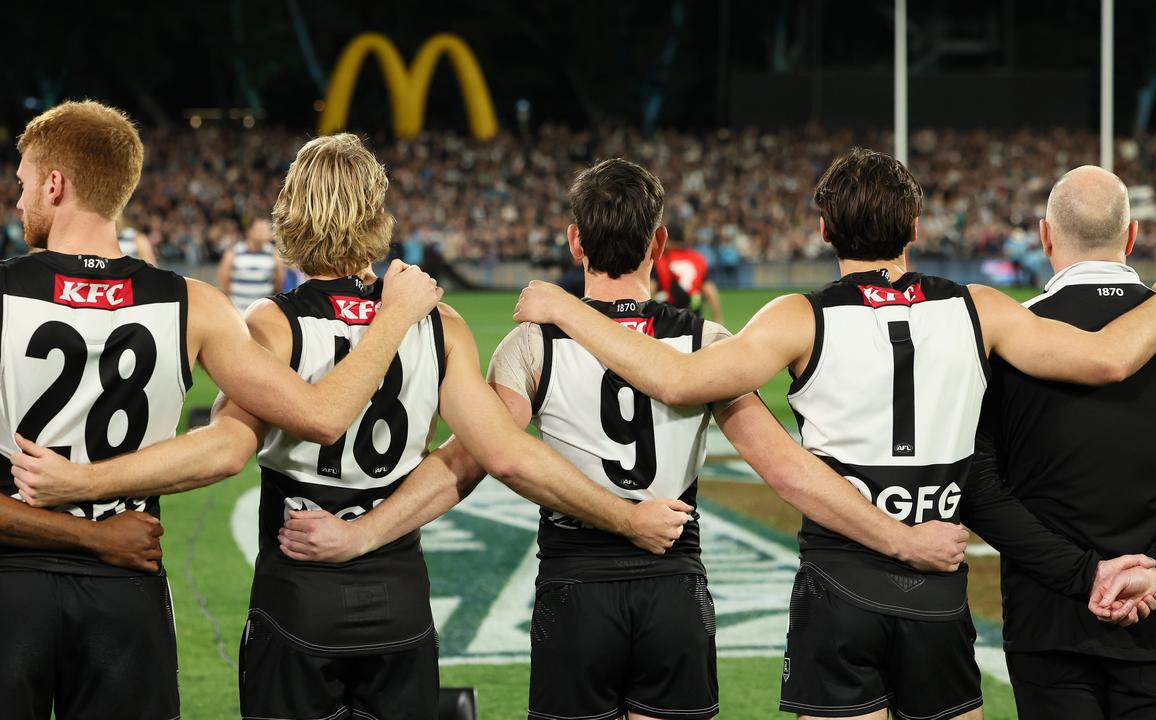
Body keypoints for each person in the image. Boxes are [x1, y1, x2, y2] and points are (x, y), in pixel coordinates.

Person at [11, 136, 693, 720]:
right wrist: (625, 518)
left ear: (291, 212)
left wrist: (85, 481)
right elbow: (500, 456)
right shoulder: (436, 321)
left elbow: (225, 446)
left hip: (296, 599)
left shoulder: (273, 324)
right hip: (400, 604)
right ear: (378, 213)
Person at [511, 147, 1156, 720]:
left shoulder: (798, 317)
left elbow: (675, 380)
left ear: (823, 232)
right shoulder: (980, 309)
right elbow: (1110, 358)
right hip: (936, 578)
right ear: (913, 229)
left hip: (839, 583)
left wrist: (566, 312)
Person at [1, 100, 440, 720]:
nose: (18, 202)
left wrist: (73, 496)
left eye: (21, 184)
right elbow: (288, 425)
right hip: (127, 585)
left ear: (54, 183)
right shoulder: (194, 305)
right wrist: (393, 315)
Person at [965, 166, 1156, 719]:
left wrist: (1083, 575)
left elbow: (977, 486)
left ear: (1046, 236)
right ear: (1132, 235)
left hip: (1048, 618)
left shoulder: (1009, 339)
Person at [652, 223, 724, 323]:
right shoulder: (698, 258)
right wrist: (717, 319)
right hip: (693, 319)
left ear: (665, 239)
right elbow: (710, 290)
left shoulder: (659, 260)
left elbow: (650, 289)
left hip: (666, 319)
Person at [219, 217, 284, 313]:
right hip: (239, 312)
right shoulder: (234, 252)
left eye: (266, 229)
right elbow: (224, 280)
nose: (264, 232)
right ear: (249, 231)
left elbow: (279, 280)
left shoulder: (273, 253)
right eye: (260, 229)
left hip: (263, 312)